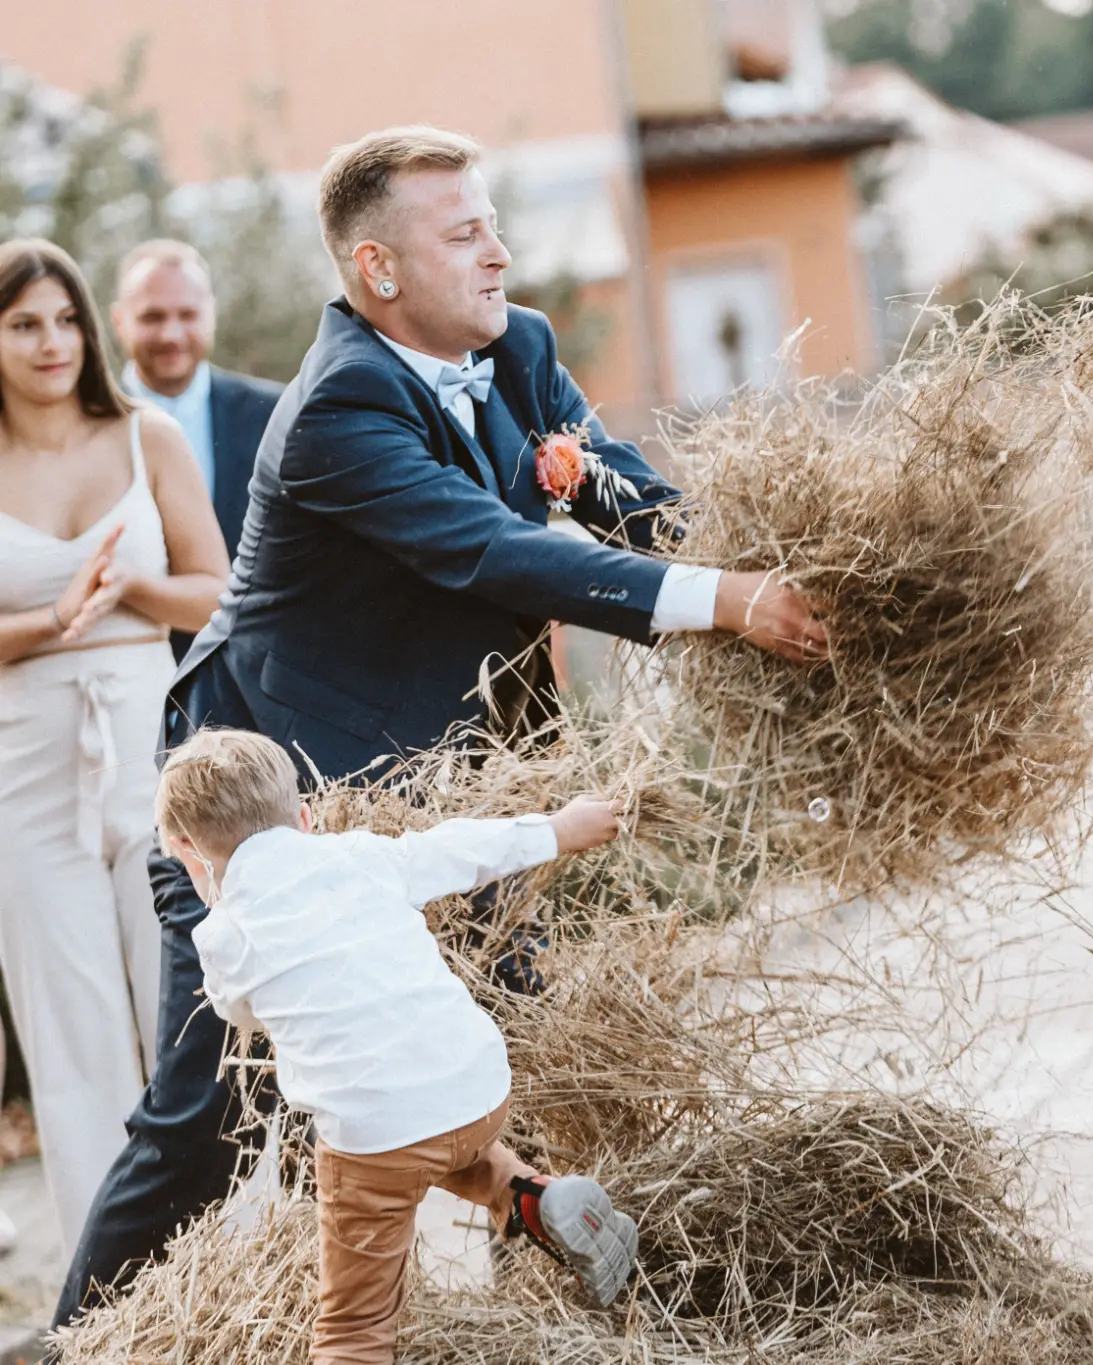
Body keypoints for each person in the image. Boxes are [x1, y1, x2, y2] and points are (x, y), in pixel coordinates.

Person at [54, 125, 825, 1326]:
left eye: (495, 226)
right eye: (464, 236)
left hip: (453, 784)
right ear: (378, 270)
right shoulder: (334, 413)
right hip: (266, 801)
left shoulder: (518, 346)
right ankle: (73, 1343)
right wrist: (723, 606)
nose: (500, 256)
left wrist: (794, 573)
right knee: (211, 1109)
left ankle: (582, 1310)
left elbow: (611, 485)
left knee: (506, 1038)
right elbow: (492, 549)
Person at [155, 728, 639, 1363]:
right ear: (304, 817)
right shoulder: (360, 854)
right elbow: (461, 847)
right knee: (439, 1142)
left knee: (353, 1329)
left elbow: (235, 1011)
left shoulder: (225, 932)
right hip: (478, 1092)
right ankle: (536, 1197)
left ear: (189, 854)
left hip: (377, 1140)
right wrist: (560, 827)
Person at [0, 240, 230, 1257]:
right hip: (21, 759)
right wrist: (52, 621)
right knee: (73, 1029)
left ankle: (226, 1255)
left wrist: (127, 592)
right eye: (22, 323)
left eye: (64, 319)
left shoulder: (149, 436)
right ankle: (114, 1287)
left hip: (148, 741)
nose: (52, 343)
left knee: (186, 1000)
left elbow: (217, 589)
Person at [110, 239, 284, 657]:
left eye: (187, 315)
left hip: (254, 667)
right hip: (130, 662)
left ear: (211, 315)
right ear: (119, 321)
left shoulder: (276, 413)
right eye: (152, 316)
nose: (171, 334)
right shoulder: (87, 425)